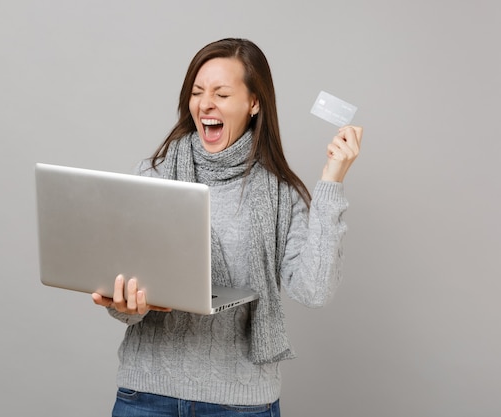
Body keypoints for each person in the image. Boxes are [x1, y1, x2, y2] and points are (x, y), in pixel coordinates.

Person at [92, 38, 363, 417]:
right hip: (146, 394)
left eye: (221, 93)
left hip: (240, 403)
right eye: (197, 92)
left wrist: (332, 182)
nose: (205, 104)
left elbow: (314, 290)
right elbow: (131, 301)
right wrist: (123, 304)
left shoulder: (282, 193)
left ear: (254, 103)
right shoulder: (152, 175)